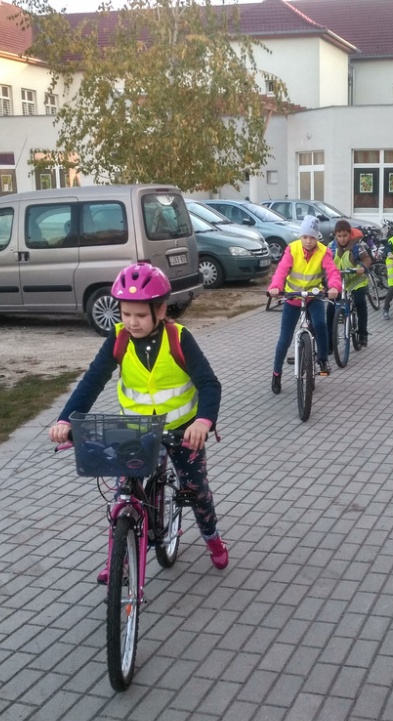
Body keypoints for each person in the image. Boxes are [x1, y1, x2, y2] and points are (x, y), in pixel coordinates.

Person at [48, 262, 229, 572]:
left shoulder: (179, 338)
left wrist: (203, 421)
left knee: (196, 490)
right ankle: (117, 559)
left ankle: (212, 538)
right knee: (122, 494)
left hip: (181, 431)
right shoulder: (118, 338)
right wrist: (66, 419)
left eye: (141, 315)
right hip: (135, 431)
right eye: (126, 313)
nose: (132, 322)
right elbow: (92, 381)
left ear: (161, 310)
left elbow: (209, 384)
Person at [268, 215, 342, 389]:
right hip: (293, 298)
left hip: (313, 297)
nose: (308, 241)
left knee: (320, 324)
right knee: (285, 339)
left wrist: (334, 287)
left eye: (312, 238)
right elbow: (281, 271)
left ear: (317, 238)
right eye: (305, 237)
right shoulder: (292, 250)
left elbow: (332, 272)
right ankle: (276, 373)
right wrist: (276, 287)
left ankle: (322, 359)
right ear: (300, 236)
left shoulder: (324, 251)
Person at [329, 219, 371, 347]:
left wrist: (363, 267)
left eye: (345, 235)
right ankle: (329, 341)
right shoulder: (331, 247)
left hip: (356, 281)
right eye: (339, 236)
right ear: (335, 235)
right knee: (330, 307)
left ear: (350, 234)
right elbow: (324, 261)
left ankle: (362, 333)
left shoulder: (357, 246)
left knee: (360, 302)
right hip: (338, 282)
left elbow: (367, 259)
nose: (342, 239)